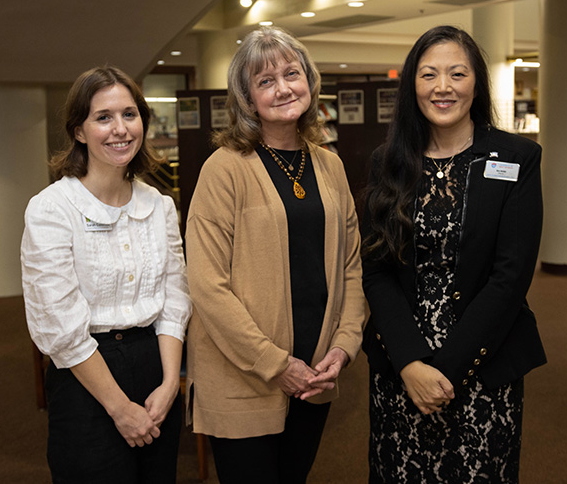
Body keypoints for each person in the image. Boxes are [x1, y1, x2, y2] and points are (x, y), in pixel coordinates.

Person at [361, 25, 547, 483]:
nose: (443, 87)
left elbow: (510, 277)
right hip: (402, 368)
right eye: (429, 75)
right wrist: (410, 364)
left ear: (476, 83)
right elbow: (377, 270)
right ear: (412, 86)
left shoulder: (517, 158)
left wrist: (443, 372)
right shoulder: (388, 162)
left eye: (457, 73)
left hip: (483, 366)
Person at [184, 26, 366, 483]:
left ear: (310, 80)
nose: (283, 87)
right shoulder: (224, 168)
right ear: (247, 99)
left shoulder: (330, 164)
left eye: (292, 73)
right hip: (246, 373)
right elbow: (207, 284)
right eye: (266, 81)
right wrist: (275, 364)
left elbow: (351, 267)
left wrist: (343, 347)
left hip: (315, 371)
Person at [21, 65, 191, 483]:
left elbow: (175, 297)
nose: (121, 129)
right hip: (86, 375)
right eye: (103, 117)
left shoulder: (160, 205)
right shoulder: (51, 209)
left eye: (130, 114)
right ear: (79, 131)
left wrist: (171, 383)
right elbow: (60, 326)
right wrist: (119, 407)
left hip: (156, 365)